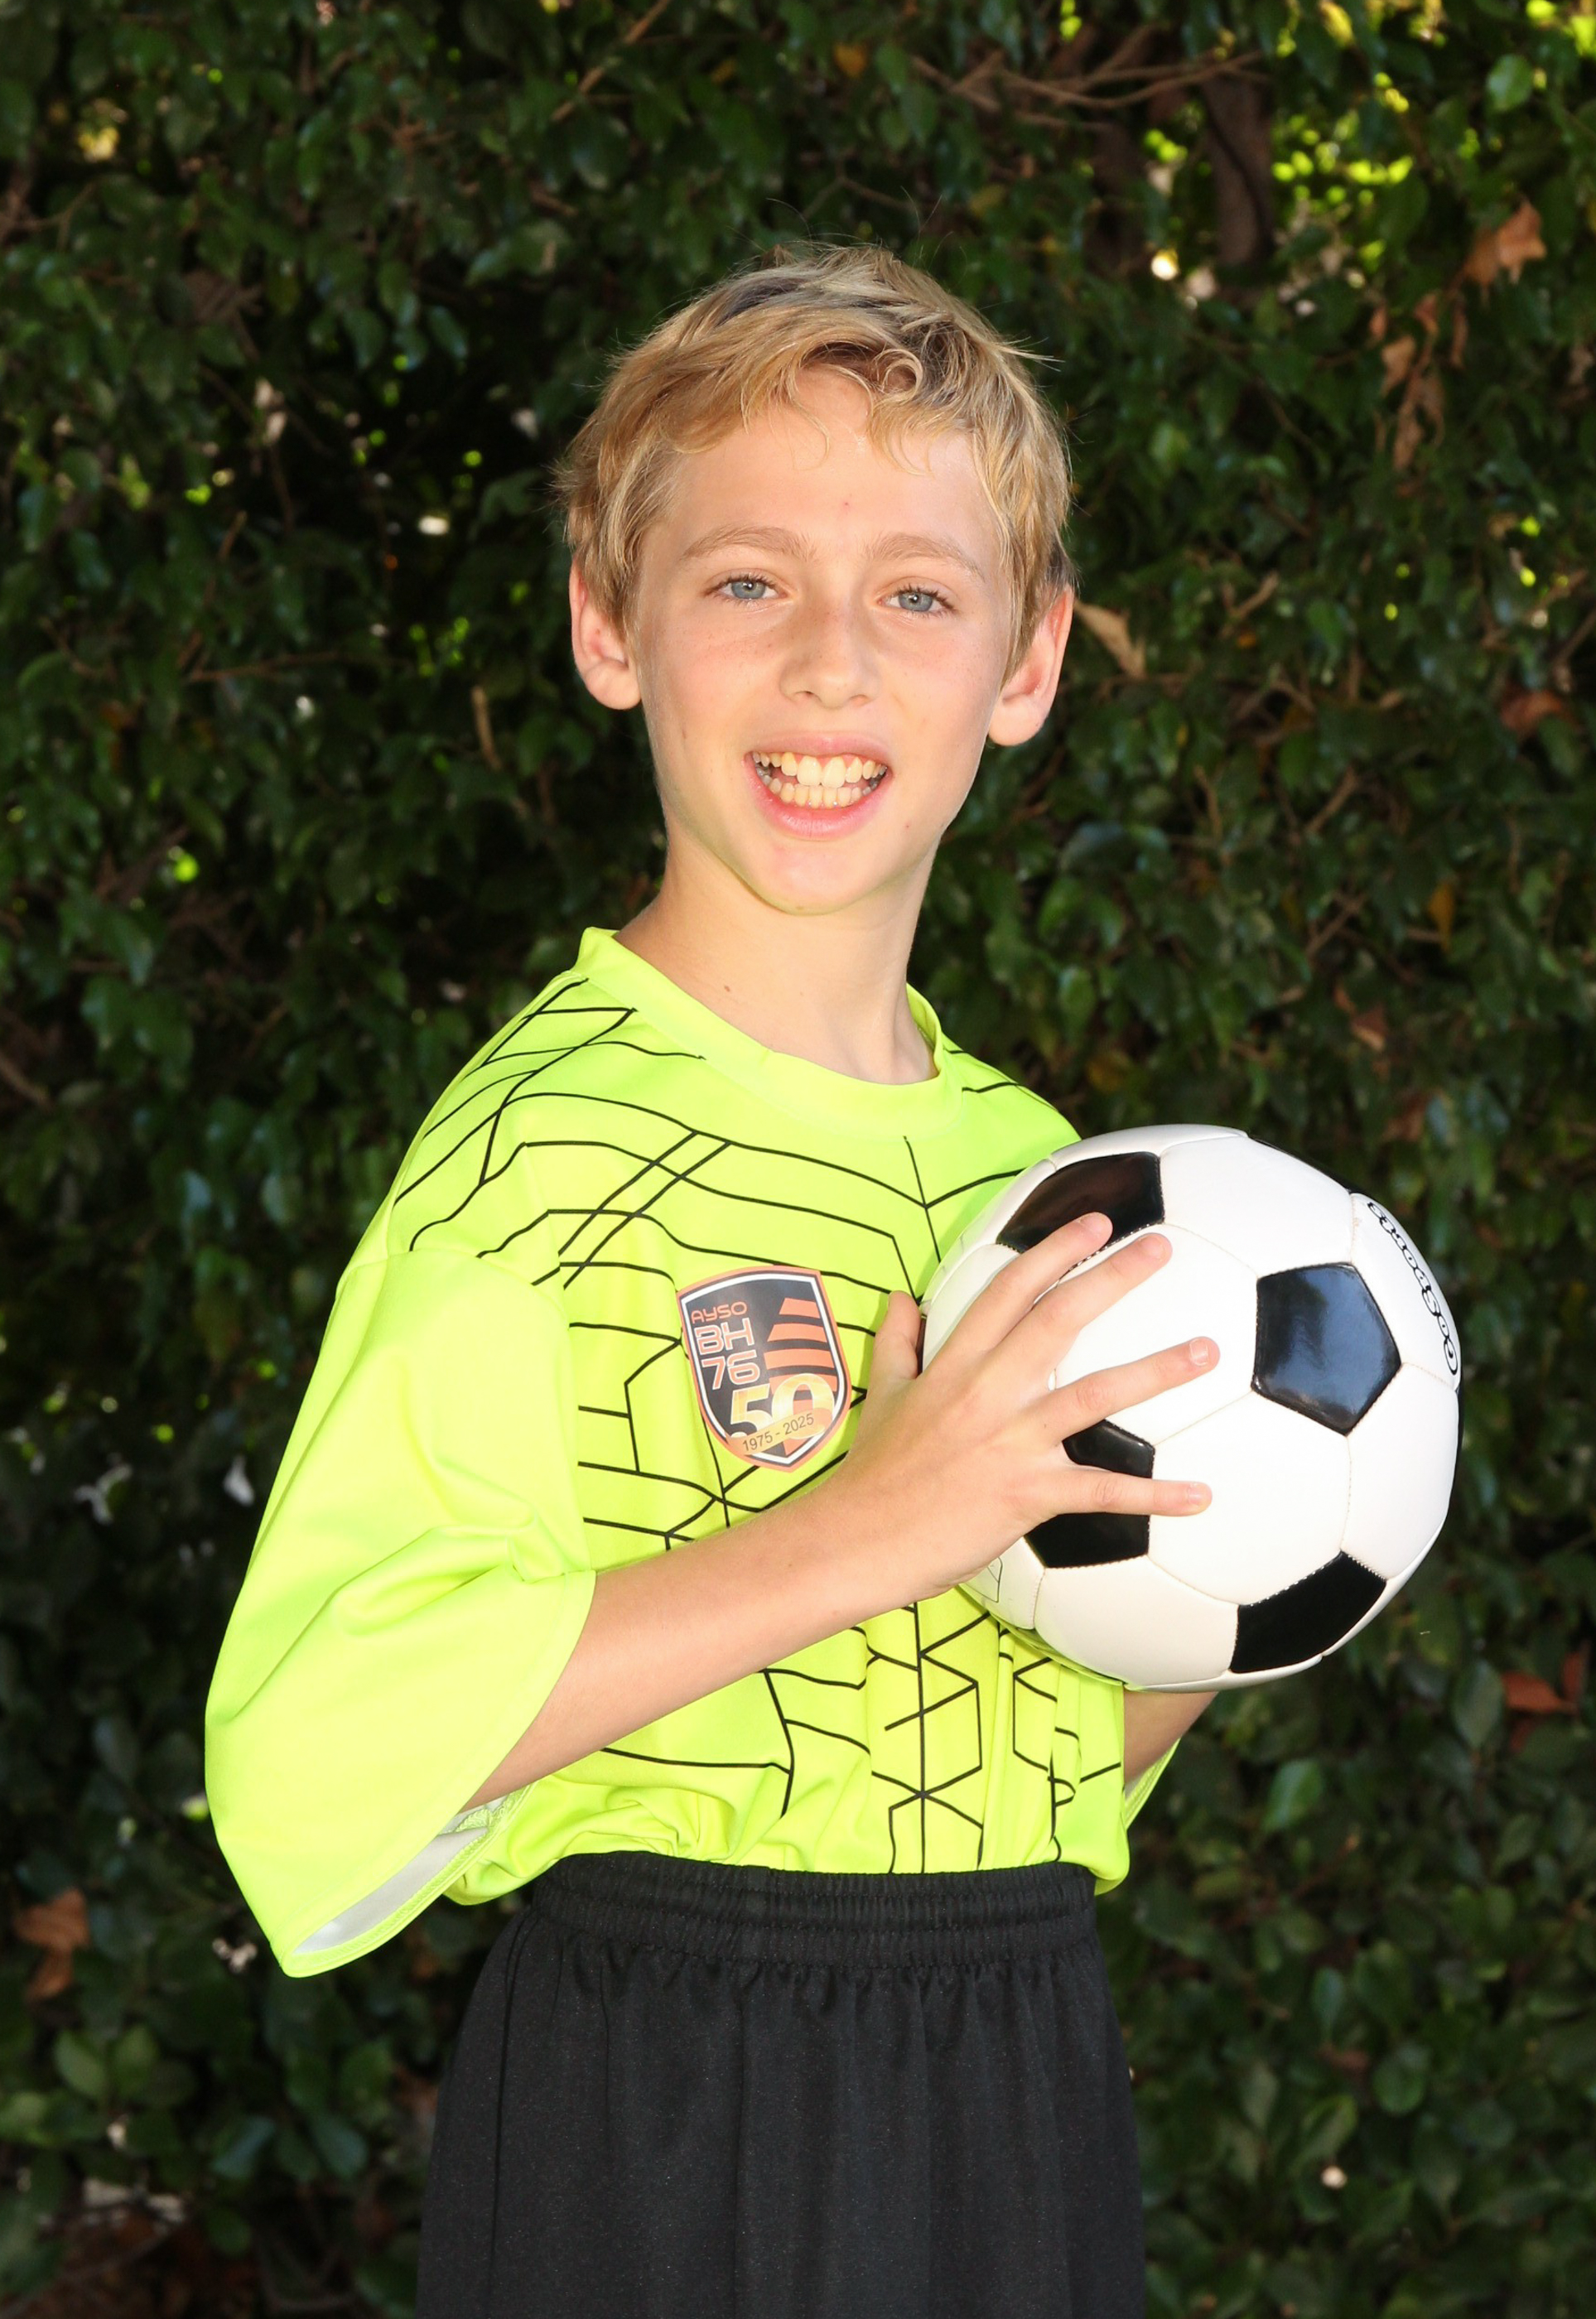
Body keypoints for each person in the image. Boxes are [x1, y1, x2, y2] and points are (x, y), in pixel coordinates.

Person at [204, 244, 1220, 2319]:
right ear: (610, 624)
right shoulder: (535, 1155)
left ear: (1026, 662)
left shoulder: (1043, 1178)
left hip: (1016, 2052)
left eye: (916, 595)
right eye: (749, 580)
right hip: (676, 2081)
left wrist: (1234, 1590)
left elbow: (1066, 1750)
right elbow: (310, 1748)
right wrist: (873, 1521)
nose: (832, 663)